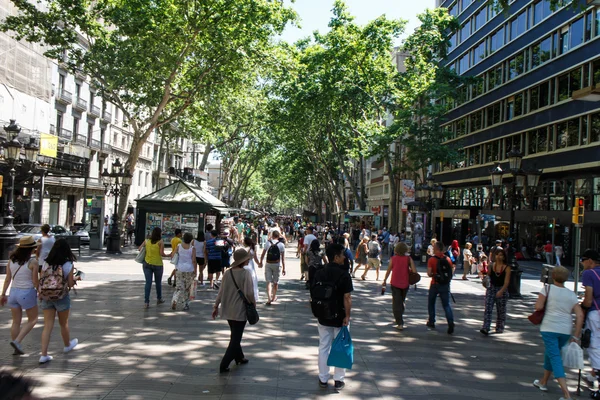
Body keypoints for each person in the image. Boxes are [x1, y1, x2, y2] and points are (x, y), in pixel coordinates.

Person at [533, 266, 584, 400]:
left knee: (555, 357)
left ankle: (566, 394)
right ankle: (543, 382)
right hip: (565, 330)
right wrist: (576, 335)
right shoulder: (571, 294)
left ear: (553, 276)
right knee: (550, 354)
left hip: (549, 327)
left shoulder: (547, 289)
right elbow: (580, 316)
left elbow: (538, 306)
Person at [313, 243, 353, 390]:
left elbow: (313, 292)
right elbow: (347, 297)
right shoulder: (344, 274)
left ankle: (323, 378)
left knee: (323, 346)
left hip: (323, 314)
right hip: (340, 315)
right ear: (336, 257)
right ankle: (338, 379)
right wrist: (347, 315)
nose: (344, 257)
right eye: (342, 254)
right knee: (341, 347)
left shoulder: (319, 272)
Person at [212, 248, 256, 373]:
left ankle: (239, 357)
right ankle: (224, 364)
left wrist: (216, 306)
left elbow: (221, 291)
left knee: (234, 334)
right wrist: (253, 304)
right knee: (236, 338)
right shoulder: (245, 273)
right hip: (240, 309)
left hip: (227, 308)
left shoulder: (227, 273)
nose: (248, 260)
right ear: (243, 260)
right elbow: (249, 293)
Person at [38, 239, 79, 364]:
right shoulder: (68, 265)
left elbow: (42, 279)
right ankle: (67, 345)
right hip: (61, 296)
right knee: (63, 323)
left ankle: (43, 354)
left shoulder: (45, 263)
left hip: (47, 296)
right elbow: (70, 283)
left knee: (47, 326)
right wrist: (77, 278)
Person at [1, 236, 39, 355]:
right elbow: (34, 281)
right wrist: (40, 291)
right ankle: (17, 341)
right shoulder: (33, 262)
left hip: (13, 292)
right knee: (33, 319)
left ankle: (16, 346)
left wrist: (3, 294)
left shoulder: (11, 260)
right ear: (32, 249)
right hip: (27, 292)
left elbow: (7, 279)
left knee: (16, 321)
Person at [382, 242, 417, 330]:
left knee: (396, 303)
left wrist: (384, 280)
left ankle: (400, 322)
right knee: (401, 301)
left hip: (395, 283)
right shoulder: (408, 259)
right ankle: (399, 316)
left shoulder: (393, 258)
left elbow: (389, 270)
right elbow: (414, 271)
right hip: (405, 284)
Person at [581, 249, 600, 398]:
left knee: (593, 345)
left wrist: (582, 309)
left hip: (596, 313)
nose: (581, 263)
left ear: (590, 261)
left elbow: (588, 299)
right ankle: (593, 376)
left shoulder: (589, 273)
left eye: (583, 260)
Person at [479, 250, 511, 335]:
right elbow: (488, 275)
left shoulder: (507, 267)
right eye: (497, 255)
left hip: (502, 289)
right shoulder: (491, 265)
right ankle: (486, 327)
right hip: (491, 288)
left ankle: (499, 327)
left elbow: (506, 282)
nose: (499, 257)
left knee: (501, 310)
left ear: (504, 257)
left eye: (501, 255)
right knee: (488, 308)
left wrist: (501, 291)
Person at [427, 241, 455, 334]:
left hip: (435, 283)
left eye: (434, 247)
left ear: (436, 249)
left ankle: (431, 321)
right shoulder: (447, 259)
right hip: (445, 284)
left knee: (431, 302)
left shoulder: (432, 259)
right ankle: (450, 322)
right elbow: (451, 271)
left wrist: (435, 274)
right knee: (446, 304)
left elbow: (429, 273)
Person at [138, 227, 168, 308]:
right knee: (158, 282)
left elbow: (139, 248)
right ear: (159, 233)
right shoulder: (160, 242)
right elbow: (161, 253)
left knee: (148, 282)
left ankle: (146, 302)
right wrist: (169, 255)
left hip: (147, 263)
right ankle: (159, 298)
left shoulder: (146, 241)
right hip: (158, 264)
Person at [170, 232, 197, 311]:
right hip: (189, 269)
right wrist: (195, 270)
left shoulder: (178, 246)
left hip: (179, 268)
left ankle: (175, 299)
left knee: (179, 287)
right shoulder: (192, 248)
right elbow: (194, 260)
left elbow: (172, 255)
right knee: (187, 288)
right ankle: (185, 304)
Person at [259, 230, 286, 305]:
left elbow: (263, 253)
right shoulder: (281, 245)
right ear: (278, 236)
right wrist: (284, 268)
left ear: (272, 235)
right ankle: (273, 297)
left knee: (268, 282)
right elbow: (283, 258)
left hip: (268, 263)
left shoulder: (268, 243)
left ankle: (269, 298)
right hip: (277, 264)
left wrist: (260, 262)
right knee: (275, 282)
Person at [243, 237, 260, 303]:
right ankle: (254, 295)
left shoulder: (245, 249)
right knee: (252, 279)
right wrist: (259, 264)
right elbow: (255, 258)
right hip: (251, 264)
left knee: (246, 280)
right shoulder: (252, 248)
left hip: (246, 264)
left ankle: (246, 293)